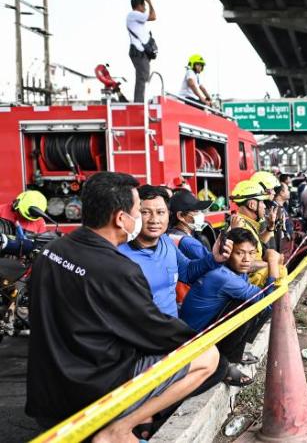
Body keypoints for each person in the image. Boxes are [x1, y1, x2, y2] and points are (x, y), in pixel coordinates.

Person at [26, 172, 220, 440]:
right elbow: (155, 332)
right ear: (121, 218)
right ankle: (118, 429)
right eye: (139, 211)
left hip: (46, 391)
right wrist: (199, 341)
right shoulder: (119, 269)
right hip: (92, 391)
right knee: (208, 357)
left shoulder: (52, 251)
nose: (145, 219)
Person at [180, 228, 282, 386]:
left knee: (251, 303)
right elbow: (268, 303)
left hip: (202, 328)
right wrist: (273, 264)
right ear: (227, 253)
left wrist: (265, 260)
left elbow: (251, 265)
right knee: (250, 306)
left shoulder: (231, 268)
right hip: (193, 339)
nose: (246, 259)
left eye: (251, 253)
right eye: (240, 253)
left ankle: (236, 353)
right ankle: (224, 364)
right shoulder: (223, 276)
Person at [119, 186, 229, 317]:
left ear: (168, 215)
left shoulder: (166, 242)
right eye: (145, 212)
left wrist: (213, 258)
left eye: (160, 212)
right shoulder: (119, 255)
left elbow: (187, 272)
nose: (154, 220)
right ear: (134, 214)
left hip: (171, 331)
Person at [230, 180, 279, 287]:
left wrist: (270, 227)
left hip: (253, 281)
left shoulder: (246, 223)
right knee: (281, 271)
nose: (265, 206)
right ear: (252, 205)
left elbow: (257, 244)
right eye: (262, 202)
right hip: (250, 286)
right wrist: (272, 263)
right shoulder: (241, 226)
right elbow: (244, 265)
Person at [126, 0, 156, 103]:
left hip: (140, 52)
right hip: (138, 52)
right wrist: (150, 2)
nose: (145, 8)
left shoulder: (136, 17)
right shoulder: (133, 14)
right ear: (139, 6)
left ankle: (140, 101)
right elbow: (153, 17)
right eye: (144, 6)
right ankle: (138, 103)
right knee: (142, 77)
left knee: (144, 76)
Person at [168, 190, 212, 261]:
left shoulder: (170, 234)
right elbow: (213, 262)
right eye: (196, 211)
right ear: (180, 216)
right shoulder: (189, 243)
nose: (200, 214)